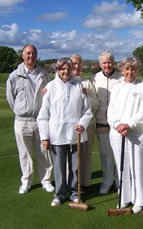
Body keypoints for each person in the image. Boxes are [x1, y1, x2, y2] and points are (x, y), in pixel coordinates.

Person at [37, 57, 92, 206]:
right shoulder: (50, 87)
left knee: (75, 167)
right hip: (57, 134)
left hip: (75, 134)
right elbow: (43, 116)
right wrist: (44, 137)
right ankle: (60, 194)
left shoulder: (79, 86)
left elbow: (87, 111)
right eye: (62, 68)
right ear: (57, 70)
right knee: (59, 168)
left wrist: (82, 124)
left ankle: (74, 193)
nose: (66, 71)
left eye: (68, 68)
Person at [6, 44, 54, 194]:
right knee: (24, 153)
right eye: (27, 53)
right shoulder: (15, 75)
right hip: (22, 120)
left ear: (36, 55)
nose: (30, 56)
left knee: (44, 151)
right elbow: (10, 98)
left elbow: (50, 94)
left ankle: (46, 180)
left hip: (41, 119)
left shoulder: (44, 74)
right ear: (23, 55)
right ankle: (26, 181)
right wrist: (22, 111)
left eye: (33, 53)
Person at [107, 57, 143, 214]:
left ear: (137, 70)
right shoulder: (117, 88)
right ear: (122, 70)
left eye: (133, 69)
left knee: (138, 168)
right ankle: (124, 198)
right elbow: (111, 111)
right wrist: (118, 124)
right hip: (118, 133)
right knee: (122, 168)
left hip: (137, 134)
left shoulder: (142, 86)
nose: (130, 72)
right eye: (127, 69)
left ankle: (139, 200)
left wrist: (129, 124)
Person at [91, 51, 123, 195]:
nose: (107, 65)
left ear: (113, 63)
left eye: (109, 62)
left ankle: (120, 182)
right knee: (105, 155)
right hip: (102, 123)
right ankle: (107, 181)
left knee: (120, 154)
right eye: (104, 63)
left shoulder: (121, 78)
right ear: (100, 64)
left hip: (118, 124)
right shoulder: (94, 78)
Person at [70, 54, 99, 192]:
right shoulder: (63, 82)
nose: (76, 66)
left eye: (78, 64)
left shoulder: (87, 83)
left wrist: (86, 94)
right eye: (73, 63)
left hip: (88, 125)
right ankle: (72, 183)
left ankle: (85, 183)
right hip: (70, 126)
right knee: (72, 156)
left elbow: (96, 104)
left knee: (86, 155)